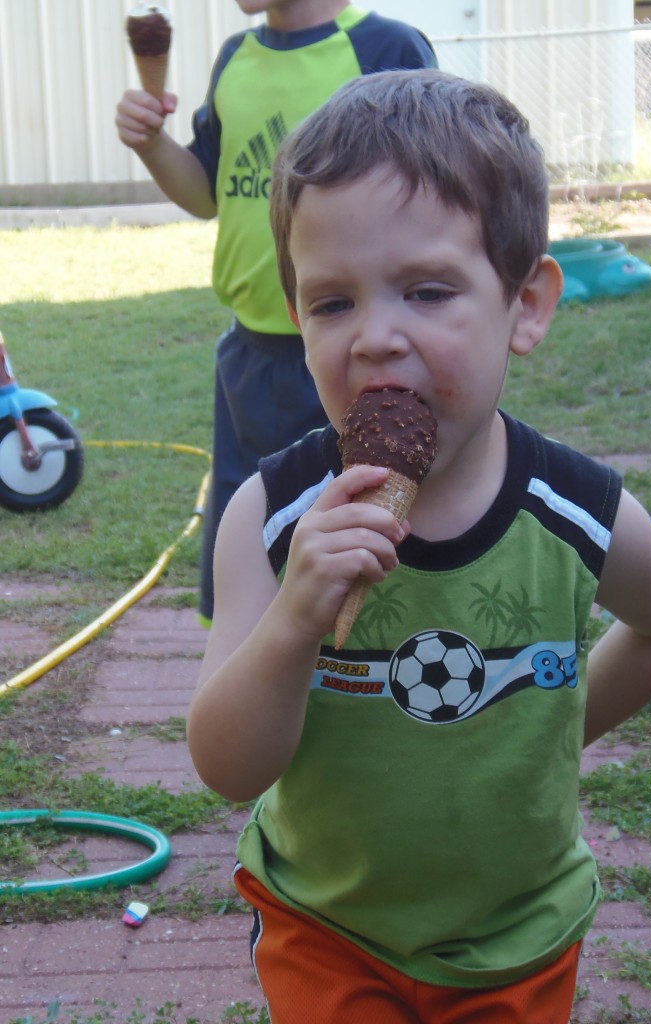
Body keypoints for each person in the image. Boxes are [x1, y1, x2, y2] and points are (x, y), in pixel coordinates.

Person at [186, 69, 651, 1024]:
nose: (376, 338)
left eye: (426, 292)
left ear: (526, 306)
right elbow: (225, 766)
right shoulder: (268, 516)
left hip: (515, 935)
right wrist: (295, 618)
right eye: (331, 303)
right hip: (326, 926)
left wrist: (559, 726)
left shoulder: (573, 509)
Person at [115, 1, 436, 623]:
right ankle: (246, 673)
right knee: (249, 529)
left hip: (353, 354)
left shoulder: (384, 46)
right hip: (249, 354)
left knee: (359, 530)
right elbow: (206, 193)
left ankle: (362, 672)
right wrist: (153, 142)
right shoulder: (237, 57)